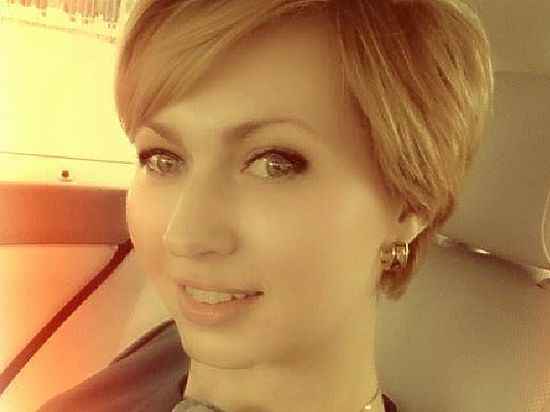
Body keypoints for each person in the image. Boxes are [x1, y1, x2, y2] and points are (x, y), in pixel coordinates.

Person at [37, 0, 493, 411]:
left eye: (273, 164)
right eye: (162, 158)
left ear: (409, 205)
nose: (185, 235)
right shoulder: (155, 353)